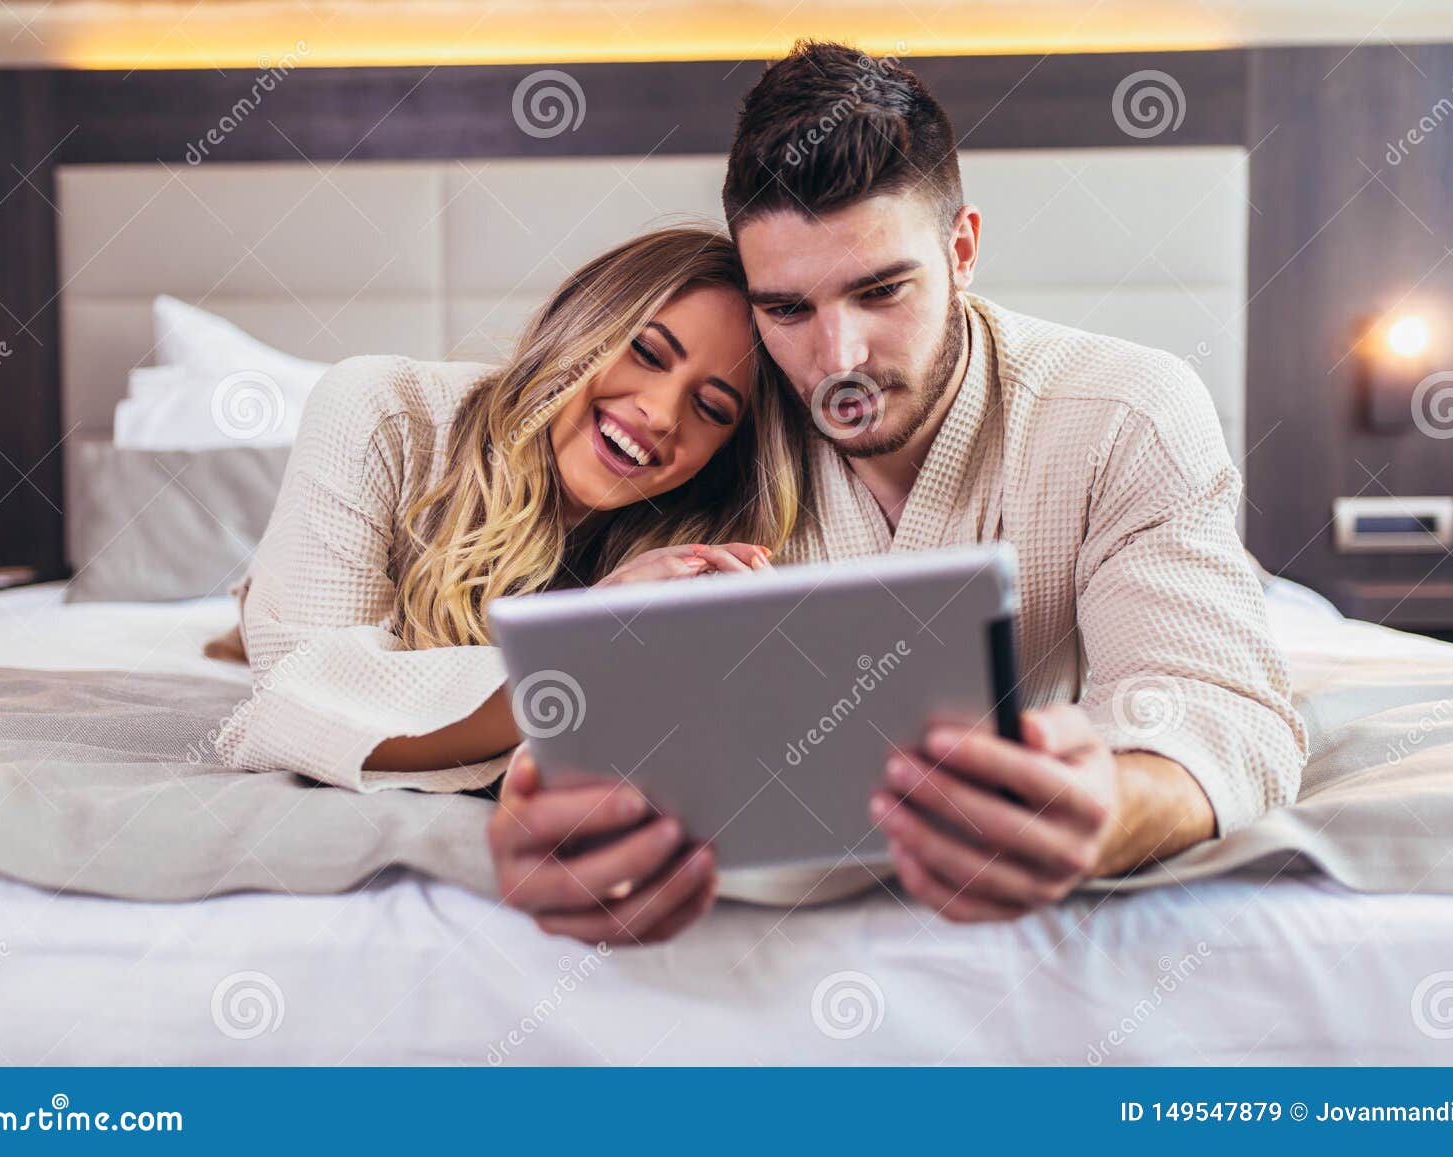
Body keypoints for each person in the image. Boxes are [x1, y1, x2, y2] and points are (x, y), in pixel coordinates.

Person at [490, 41, 1308, 943]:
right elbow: (612, 703)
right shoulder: (710, 424)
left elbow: (1219, 708)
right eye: (787, 309)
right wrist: (563, 824)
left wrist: (1107, 812)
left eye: (881, 290)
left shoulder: (1123, 411)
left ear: (962, 250)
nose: (836, 360)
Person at [215, 227, 805, 943]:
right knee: (250, 626)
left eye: (711, 409)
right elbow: (295, 701)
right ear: (582, 322)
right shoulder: (379, 410)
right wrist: (587, 641)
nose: (659, 413)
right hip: (289, 597)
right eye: (647, 352)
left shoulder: (681, 548)